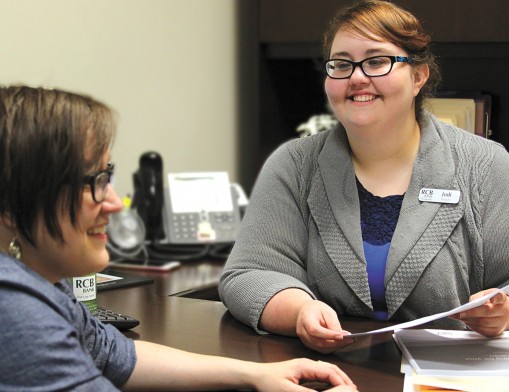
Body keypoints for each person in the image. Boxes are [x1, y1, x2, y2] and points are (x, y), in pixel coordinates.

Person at [0, 85, 358, 391]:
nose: (113, 202)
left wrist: (257, 374)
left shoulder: (38, 283)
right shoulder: (15, 309)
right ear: (13, 205)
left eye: (107, 176)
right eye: (94, 182)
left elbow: (112, 354)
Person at [219, 0, 509, 354]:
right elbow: (249, 273)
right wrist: (299, 310)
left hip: (450, 374)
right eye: (341, 64)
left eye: (376, 61)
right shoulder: (294, 165)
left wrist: (500, 311)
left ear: (418, 76)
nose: (356, 77)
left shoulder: (484, 164)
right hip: (326, 371)